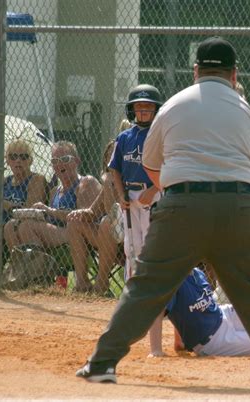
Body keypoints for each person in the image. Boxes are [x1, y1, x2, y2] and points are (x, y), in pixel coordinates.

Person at [76, 36, 250, 389]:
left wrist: (179, 188)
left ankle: (103, 363)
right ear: (234, 74)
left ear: (196, 70)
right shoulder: (248, 113)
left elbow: (152, 166)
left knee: (147, 285)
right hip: (238, 206)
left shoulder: (173, 106)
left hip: (182, 205)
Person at [108, 84, 165, 357]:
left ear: (156, 109)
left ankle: (154, 330)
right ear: (132, 110)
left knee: (150, 261)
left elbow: (169, 167)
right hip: (130, 200)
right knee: (132, 258)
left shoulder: (159, 136)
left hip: (152, 197)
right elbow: (115, 171)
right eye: (139, 107)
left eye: (149, 107)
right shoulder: (124, 138)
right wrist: (121, 197)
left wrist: (153, 190)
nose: (143, 111)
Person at [4, 141, 101, 253]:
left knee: (27, 227)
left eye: (65, 159)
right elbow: (49, 220)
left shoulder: (84, 184)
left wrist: (49, 210)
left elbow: (83, 218)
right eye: (55, 161)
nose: (60, 164)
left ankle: (36, 268)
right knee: (11, 226)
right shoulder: (55, 191)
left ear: (77, 161)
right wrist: (40, 214)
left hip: (75, 233)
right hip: (55, 234)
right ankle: (25, 266)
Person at [162, 268, 250, 357]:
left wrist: (179, 342)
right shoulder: (172, 280)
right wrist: (156, 349)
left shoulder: (197, 272)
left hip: (224, 314)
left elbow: (183, 310)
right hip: (214, 341)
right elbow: (158, 311)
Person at [66, 140, 121, 294]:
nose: (112, 161)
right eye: (109, 157)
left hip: (128, 237)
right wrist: (81, 213)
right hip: (109, 239)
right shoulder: (108, 182)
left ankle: (101, 283)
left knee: (106, 222)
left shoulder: (130, 179)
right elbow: (93, 212)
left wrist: (110, 181)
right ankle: (82, 283)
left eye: (116, 156)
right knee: (74, 223)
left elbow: (113, 214)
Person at [2, 139, 47, 224]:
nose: (18, 161)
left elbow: (30, 212)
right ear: (7, 160)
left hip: (19, 228)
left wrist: (3, 203)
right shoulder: (5, 181)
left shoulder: (36, 179)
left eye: (23, 157)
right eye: (13, 157)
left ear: (31, 161)